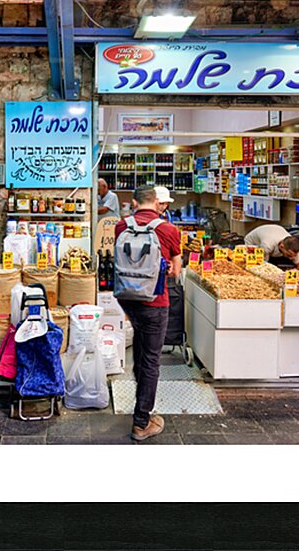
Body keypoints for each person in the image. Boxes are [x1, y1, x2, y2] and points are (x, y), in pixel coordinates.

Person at [114, 185, 182, 441]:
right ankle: (142, 422)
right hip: (155, 302)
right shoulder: (168, 229)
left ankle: (143, 405)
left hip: (127, 300)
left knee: (141, 354)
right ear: (156, 203)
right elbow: (175, 270)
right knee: (151, 361)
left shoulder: (121, 226)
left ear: (133, 202)